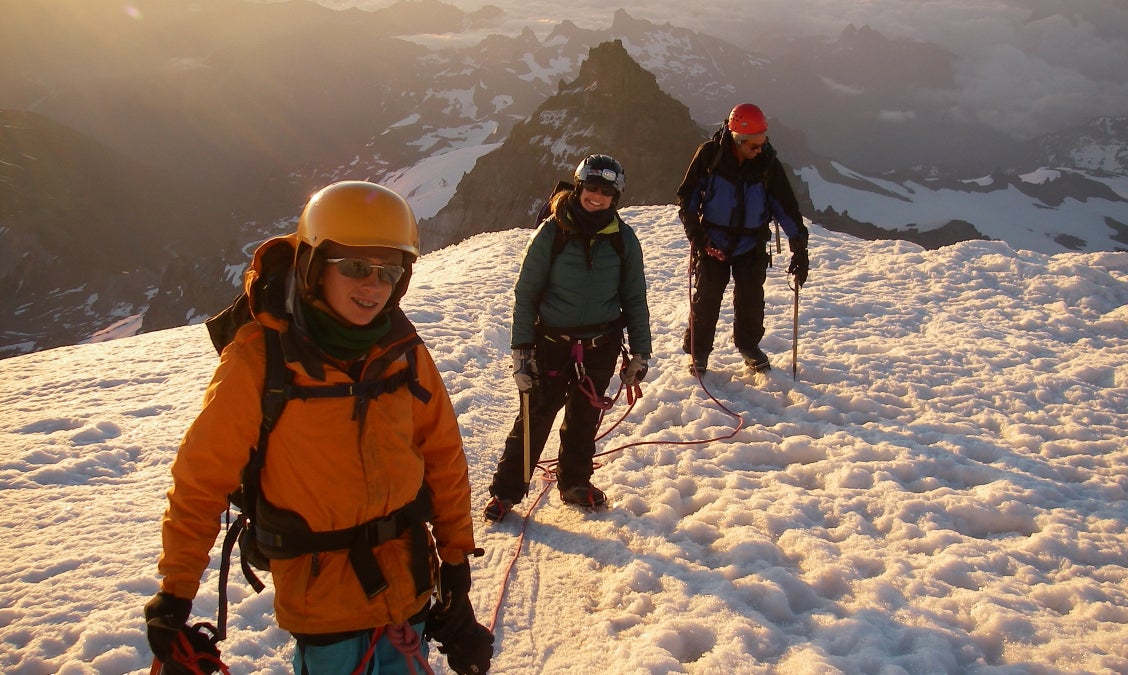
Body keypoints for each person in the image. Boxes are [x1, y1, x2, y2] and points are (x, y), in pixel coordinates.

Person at [144, 181, 494, 674]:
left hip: (409, 586)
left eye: (389, 272)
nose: (373, 287)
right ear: (313, 267)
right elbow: (201, 482)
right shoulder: (258, 360)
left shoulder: (403, 351)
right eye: (354, 267)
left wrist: (455, 570)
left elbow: (443, 458)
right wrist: (175, 596)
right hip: (324, 608)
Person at [483, 155, 652, 522]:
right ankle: (506, 491)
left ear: (615, 198)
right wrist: (522, 352)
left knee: (584, 417)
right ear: (578, 188)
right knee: (536, 415)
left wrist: (641, 351)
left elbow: (634, 297)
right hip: (552, 344)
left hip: (601, 344)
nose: (597, 196)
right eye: (592, 188)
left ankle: (575, 482)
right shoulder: (552, 232)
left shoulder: (623, 240)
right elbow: (526, 293)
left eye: (607, 191)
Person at [676, 102, 813, 374]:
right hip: (713, 242)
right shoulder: (709, 156)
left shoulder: (767, 164)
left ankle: (748, 345)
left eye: (763, 143)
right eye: (754, 145)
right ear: (737, 139)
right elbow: (687, 200)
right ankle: (698, 351)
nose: (760, 150)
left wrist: (800, 248)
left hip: (751, 245)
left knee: (751, 299)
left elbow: (785, 207)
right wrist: (698, 237)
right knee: (707, 298)